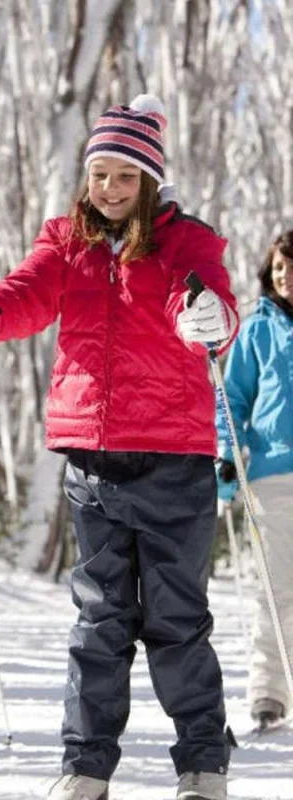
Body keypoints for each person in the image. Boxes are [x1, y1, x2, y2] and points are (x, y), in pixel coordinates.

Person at [0, 95, 238, 800]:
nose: (109, 188)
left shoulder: (186, 241)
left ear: (150, 181)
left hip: (173, 458)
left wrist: (207, 318)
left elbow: (204, 301)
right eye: (99, 174)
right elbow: (28, 294)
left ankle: (202, 763)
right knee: (100, 621)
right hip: (92, 461)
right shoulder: (66, 241)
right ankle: (86, 766)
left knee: (176, 620)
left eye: (125, 176)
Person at [215, 230, 293, 731]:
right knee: (276, 588)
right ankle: (269, 691)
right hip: (273, 474)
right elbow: (232, 399)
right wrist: (228, 454)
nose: (286, 276)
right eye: (280, 268)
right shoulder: (257, 329)